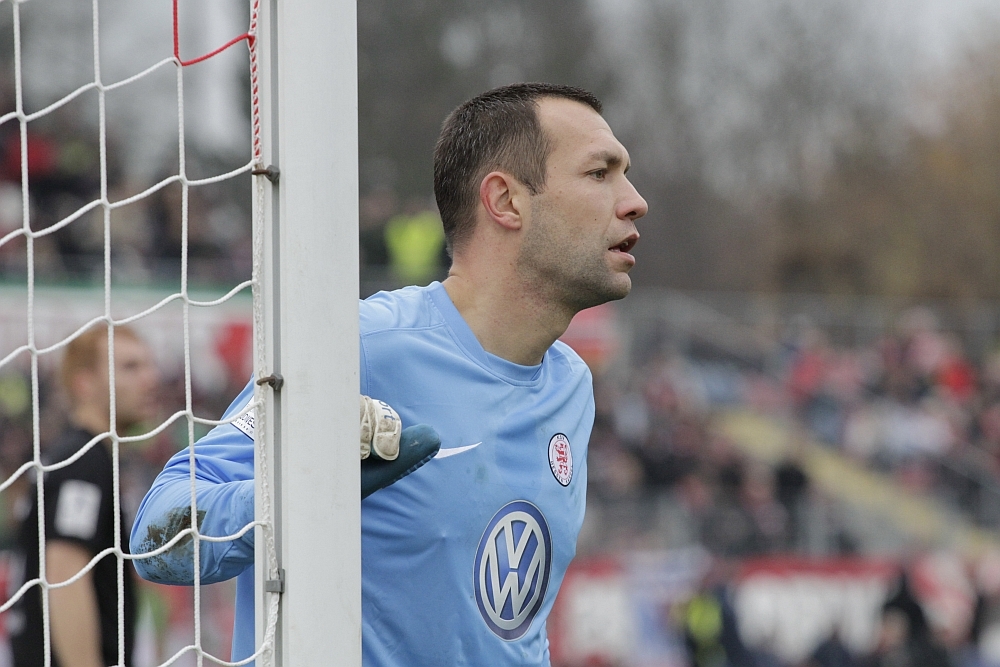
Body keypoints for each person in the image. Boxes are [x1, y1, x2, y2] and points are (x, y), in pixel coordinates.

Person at [130, 82, 648, 665]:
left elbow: (510, 629)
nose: (635, 202)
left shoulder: (571, 386)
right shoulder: (356, 349)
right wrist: (302, 490)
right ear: (505, 201)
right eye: (600, 173)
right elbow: (155, 535)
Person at [8, 325, 160, 667]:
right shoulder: (83, 462)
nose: (151, 378)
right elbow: (65, 575)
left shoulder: (71, 455)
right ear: (84, 383)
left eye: (150, 365)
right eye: (131, 367)